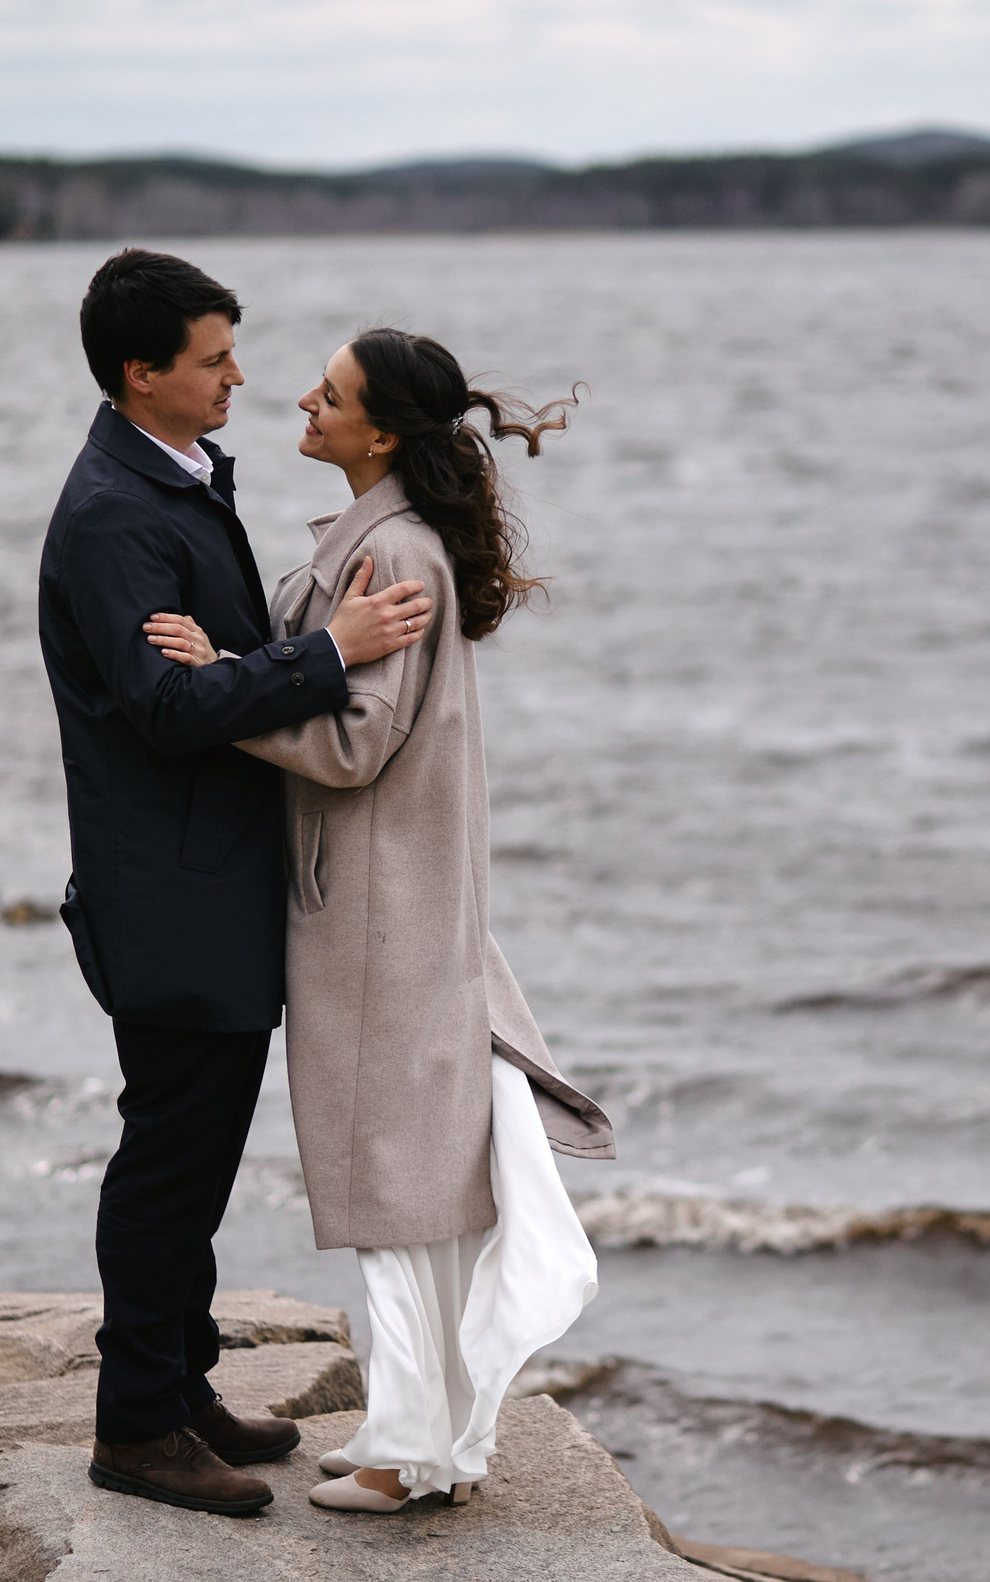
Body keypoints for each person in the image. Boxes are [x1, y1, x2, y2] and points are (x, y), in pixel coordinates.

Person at [141, 327, 614, 1513]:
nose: (302, 399)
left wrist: (215, 692)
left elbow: (351, 744)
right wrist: (255, 661)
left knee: (389, 1177)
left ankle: (409, 1455)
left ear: (383, 433)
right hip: (392, 901)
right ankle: (437, 1444)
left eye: (332, 394)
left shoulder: (390, 555)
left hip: (372, 907)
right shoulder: (388, 540)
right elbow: (333, 686)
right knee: (413, 1177)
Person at [39, 251, 436, 1517]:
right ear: (138, 373)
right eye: (212, 360)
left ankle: (184, 1384)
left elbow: (207, 664)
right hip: (169, 897)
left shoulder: (178, 476)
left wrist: (258, 653)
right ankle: (136, 1427)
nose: (239, 378)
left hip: (211, 884)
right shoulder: (112, 514)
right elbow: (162, 709)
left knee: (197, 1160)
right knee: (168, 1165)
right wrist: (330, 653)